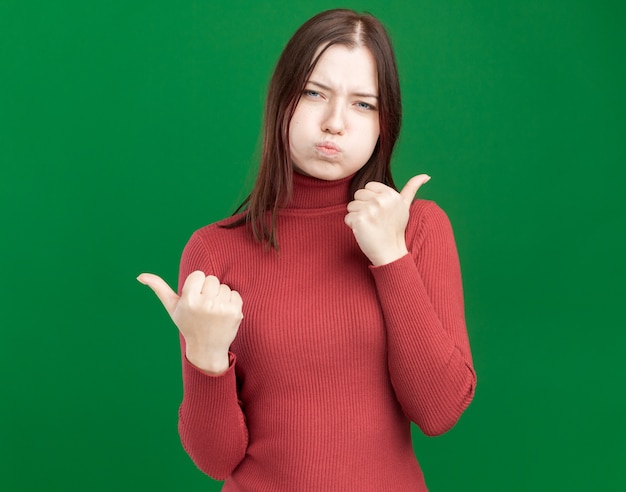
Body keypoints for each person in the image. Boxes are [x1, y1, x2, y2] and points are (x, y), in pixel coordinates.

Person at [138, 8, 476, 491]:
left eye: (363, 104)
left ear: (386, 121)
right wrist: (206, 357)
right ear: (282, 100)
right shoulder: (216, 249)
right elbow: (217, 461)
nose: (335, 122)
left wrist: (390, 258)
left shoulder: (418, 229)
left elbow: (439, 411)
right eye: (314, 93)